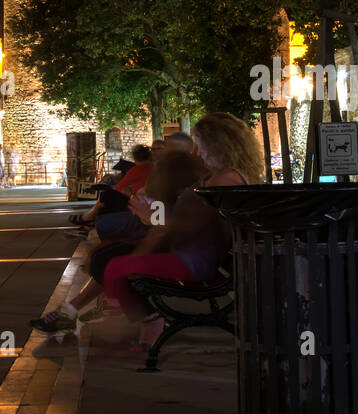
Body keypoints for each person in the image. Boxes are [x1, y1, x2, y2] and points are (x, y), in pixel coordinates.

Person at [101, 112, 264, 345]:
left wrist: (153, 219)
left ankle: (146, 323)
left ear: (219, 145)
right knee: (113, 262)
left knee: (115, 267)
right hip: (190, 255)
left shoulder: (225, 180)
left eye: (201, 145)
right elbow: (183, 218)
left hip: (194, 261)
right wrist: (152, 214)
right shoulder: (216, 175)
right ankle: (140, 323)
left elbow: (192, 227)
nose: (198, 152)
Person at [31, 148, 203, 333]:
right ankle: (73, 311)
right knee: (103, 256)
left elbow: (164, 229)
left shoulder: (184, 196)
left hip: (181, 256)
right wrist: (149, 217)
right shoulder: (180, 194)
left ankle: (132, 319)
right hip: (173, 248)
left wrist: (146, 228)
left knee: (108, 261)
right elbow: (162, 226)